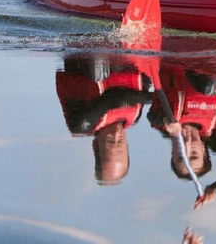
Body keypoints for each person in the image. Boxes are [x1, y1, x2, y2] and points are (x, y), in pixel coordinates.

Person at [148, 64, 216, 208]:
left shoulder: (163, 123)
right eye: (194, 154)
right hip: (213, 65)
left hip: (180, 61)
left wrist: (165, 121)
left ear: (173, 153)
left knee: (209, 88)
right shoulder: (213, 130)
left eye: (181, 156)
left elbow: (152, 116)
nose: (187, 147)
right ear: (203, 150)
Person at [55, 53, 152, 185]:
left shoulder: (81, 123)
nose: (116, 134)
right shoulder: (136, 115)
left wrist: (152, 98)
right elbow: (145, 78)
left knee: (97, 71)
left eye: (111, 141)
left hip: (86, 55)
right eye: (120, 142)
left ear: (96, 144)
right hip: (125, 57)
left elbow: (112, 99)